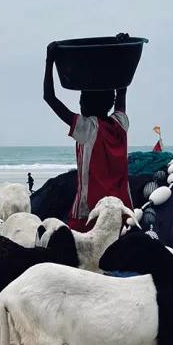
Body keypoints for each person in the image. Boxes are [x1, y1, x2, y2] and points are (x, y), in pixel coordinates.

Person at [44, 42, 132, 232]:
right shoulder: (120, 123)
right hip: (121, 209)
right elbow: (122, 89)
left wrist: (49, 60)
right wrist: (123, 53)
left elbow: (49, 98)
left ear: (85, 104)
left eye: (81, 99)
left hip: (88, 212)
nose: (79, 103)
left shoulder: (87, 128)